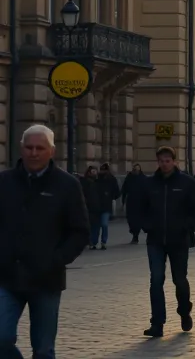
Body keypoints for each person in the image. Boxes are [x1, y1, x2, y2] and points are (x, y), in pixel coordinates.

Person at [0, 125, 89, 359]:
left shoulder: (67, 185)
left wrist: (57, 259)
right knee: (1, 338)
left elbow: (80, 231)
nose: (34, 153)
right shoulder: (4, 181)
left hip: (46, 278)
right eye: (29, 147)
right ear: (21, 149)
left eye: (40, 148)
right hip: (7, 276)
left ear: (51, 151)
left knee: (43, 350)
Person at [138, 146, 195, 338]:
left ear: (174, 162)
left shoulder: (187, 183)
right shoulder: (150, 184)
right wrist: (146, 225)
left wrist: (188, 226)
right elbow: (140, 207)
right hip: (155, 240)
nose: (164, 164)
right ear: (157, 162)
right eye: (161, 161)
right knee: (156, 280)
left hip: (179, 240)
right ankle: (157, 323)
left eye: (168, 160)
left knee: (179, 280)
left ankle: (184, 311)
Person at [80, 165, 110, 251]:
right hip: (89, 207)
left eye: (95, 171)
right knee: (92, 226)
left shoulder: (99, 182)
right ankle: (92, 242)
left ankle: (99, 242)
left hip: (99, 207)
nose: (94, 173)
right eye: (92, 171)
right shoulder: (85, 182)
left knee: (100, 225)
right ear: (89, 172)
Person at [121, 164, 149, 244]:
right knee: (132, 221)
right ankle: (135, 236)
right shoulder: (129, 178)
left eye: (137, 169)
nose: (136, 171)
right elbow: (124, 190)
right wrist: (123, 202)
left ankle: (148, 235)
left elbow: (148, 191)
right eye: (135, 169)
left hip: (142, 203)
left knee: (143, 221)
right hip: (131, 203)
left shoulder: (144, 179)